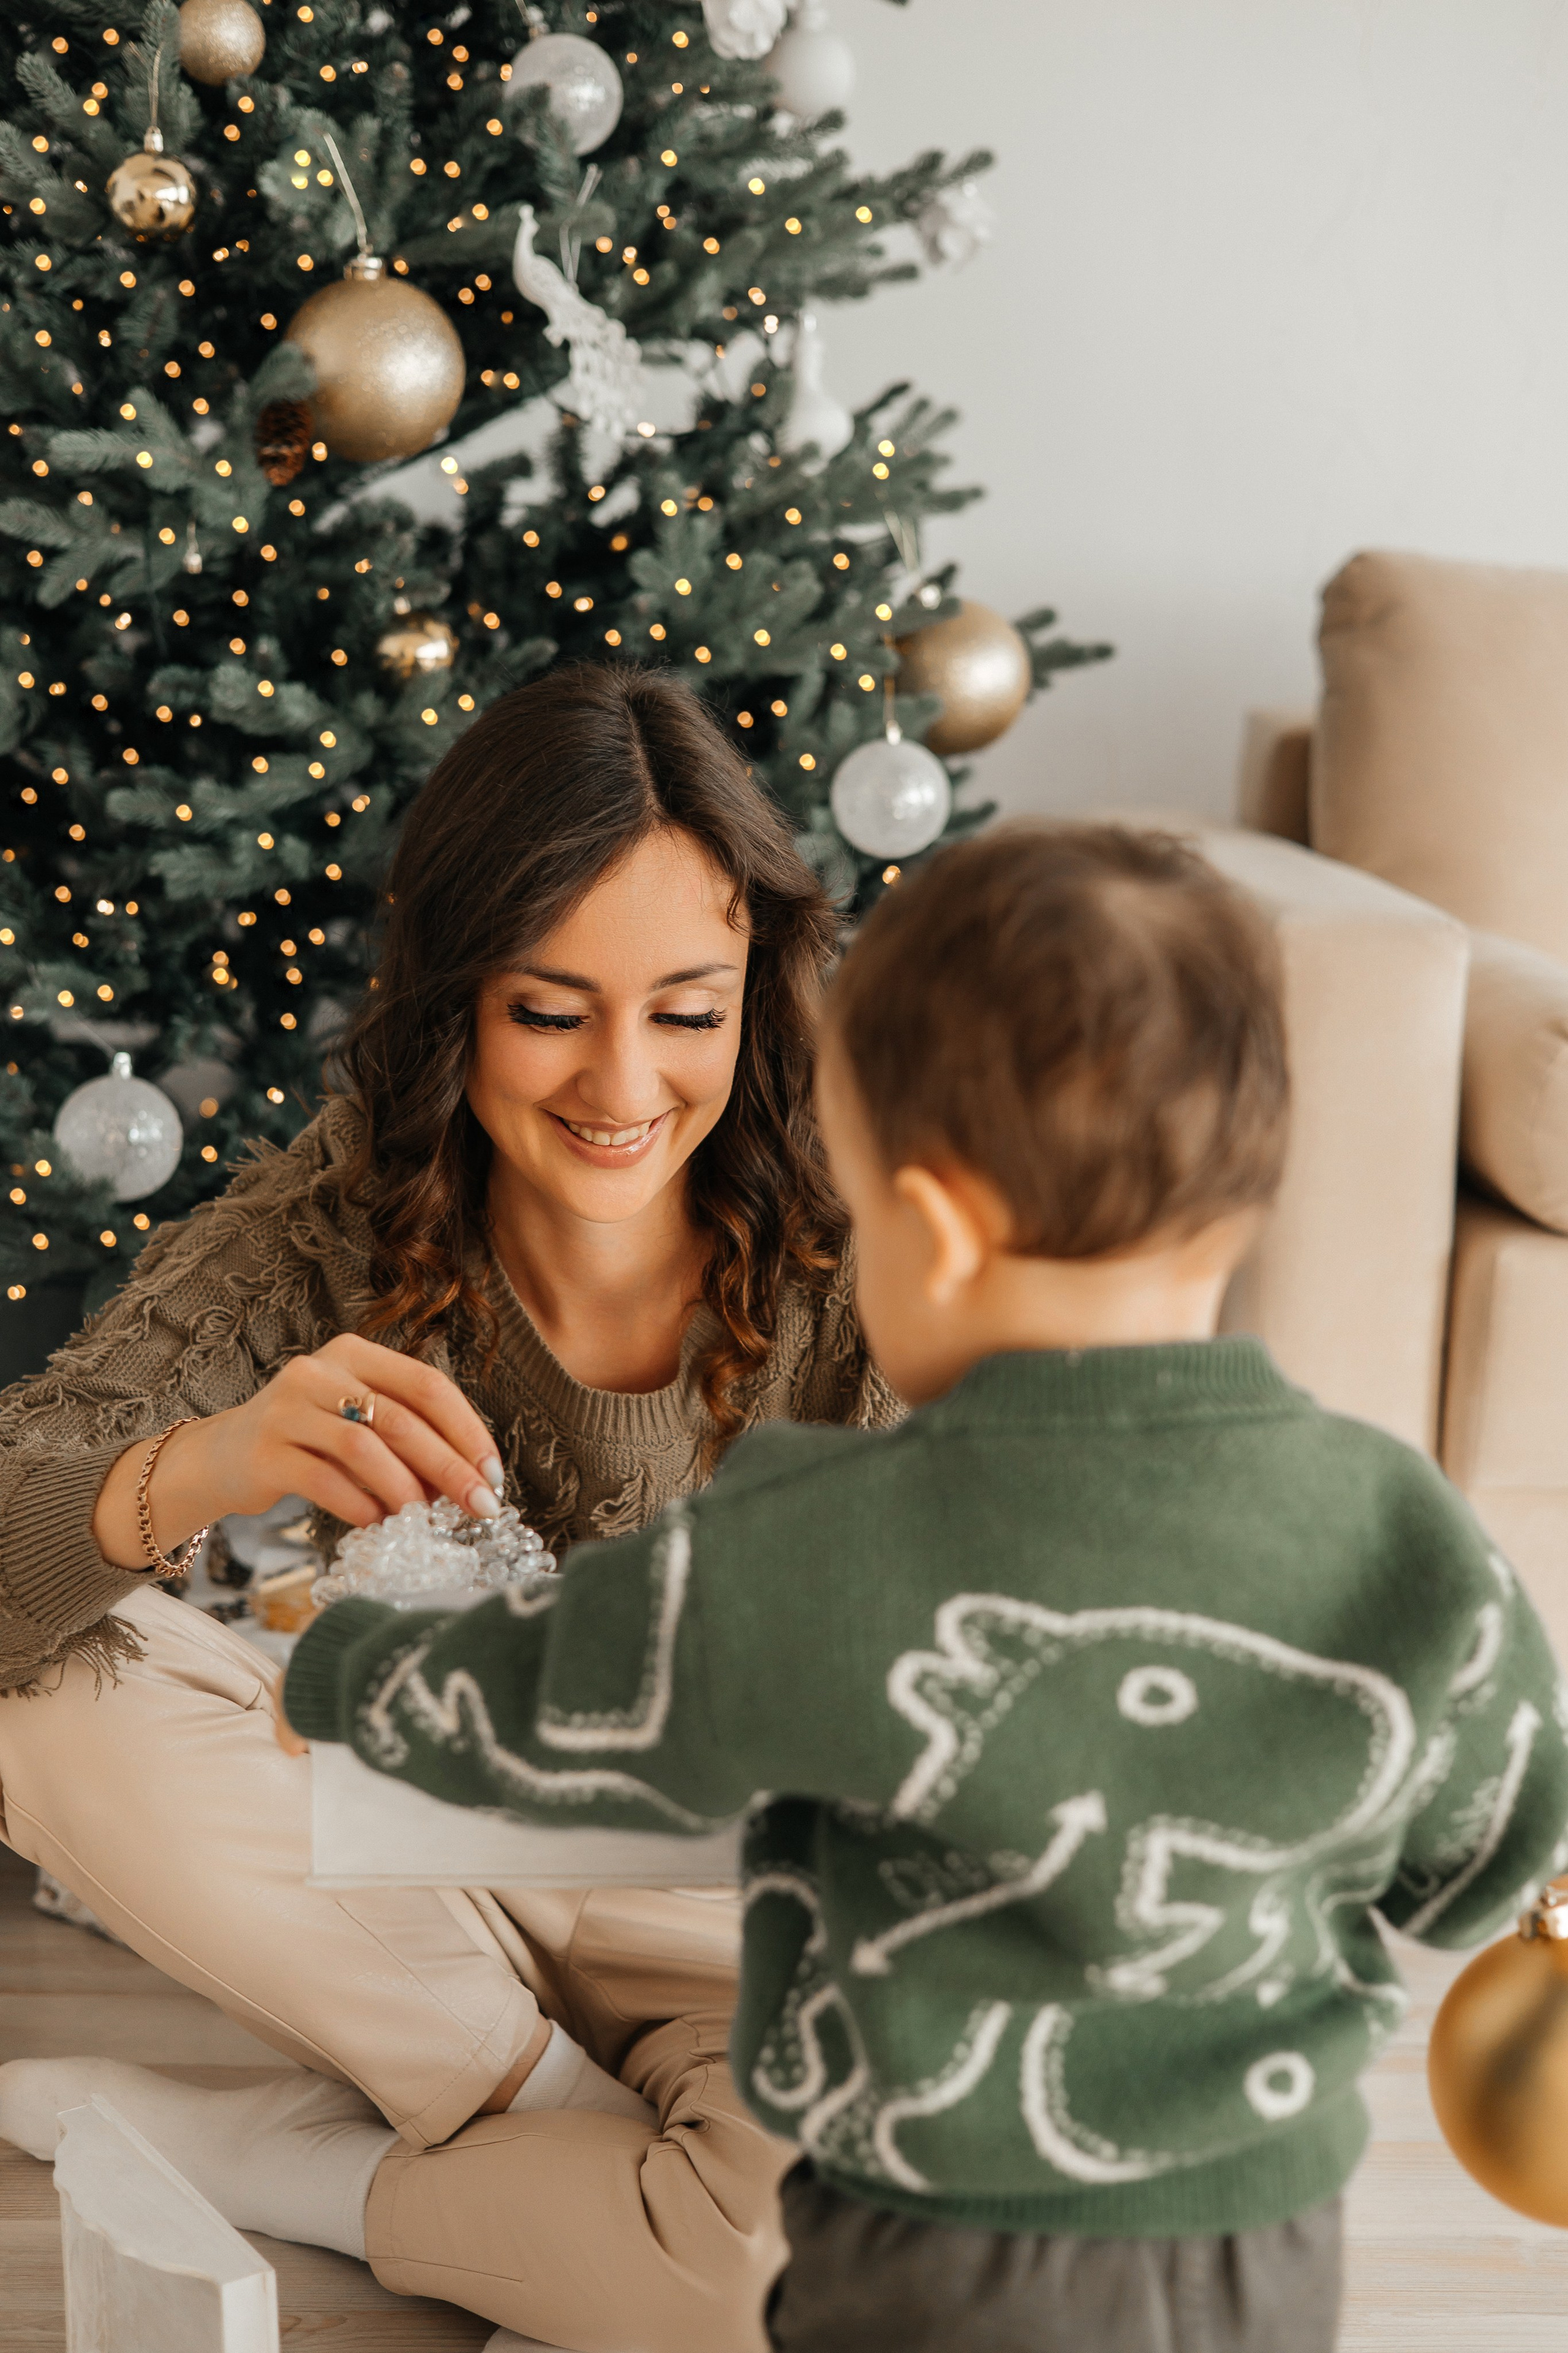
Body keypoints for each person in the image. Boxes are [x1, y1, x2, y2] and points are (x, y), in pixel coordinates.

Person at [175, 818, 1566, 2350]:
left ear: (945, 1231)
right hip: (1261, 2235)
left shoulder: (833, 1540)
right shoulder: (1395, 1520)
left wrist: (354, 1673)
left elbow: (576, 1686)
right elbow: (1483, 1843)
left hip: (926, 2251)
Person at [0, 664, 898, 2352]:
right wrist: (208, 1467)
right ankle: (551, 2128)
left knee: (811, 2278)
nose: (622, 1083)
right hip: (423, 1893)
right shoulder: (331, 1222)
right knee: (40, 1685)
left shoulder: (882, 1244)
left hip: (761, 1931)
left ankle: (320, 2172)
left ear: (759, 996)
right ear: (456, 998)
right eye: (551, 1009)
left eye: (687, 1010)